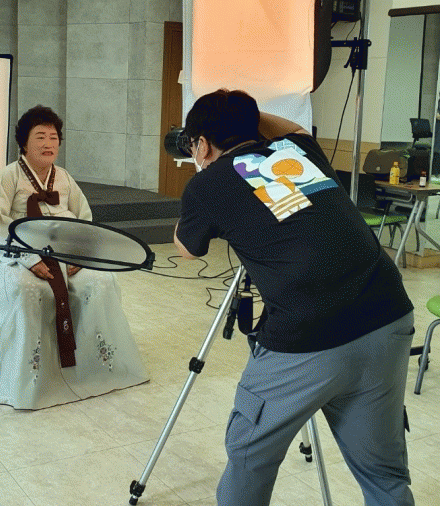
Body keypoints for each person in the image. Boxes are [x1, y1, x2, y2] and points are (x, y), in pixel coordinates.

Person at [174, 89, 415, 506]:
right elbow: (298, 128)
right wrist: (242, 114)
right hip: (387, 314)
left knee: (250, 455)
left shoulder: (206, 183)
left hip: (308, 335)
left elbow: (188, 248)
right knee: (383, 474)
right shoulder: (298, 150)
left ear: (202, 145)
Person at [0, 105, 148, 410]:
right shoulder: (8, 176)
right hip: (16, 254)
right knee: (28, 289)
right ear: (23, 143)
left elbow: (84, 218)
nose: (48, 144)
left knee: (100, 281)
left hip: (64, 253)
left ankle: (94, 369)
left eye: (53, 137)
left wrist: (80, 255)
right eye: (40, 137)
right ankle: (31, 378)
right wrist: (29, 260)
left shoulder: (64, 177)